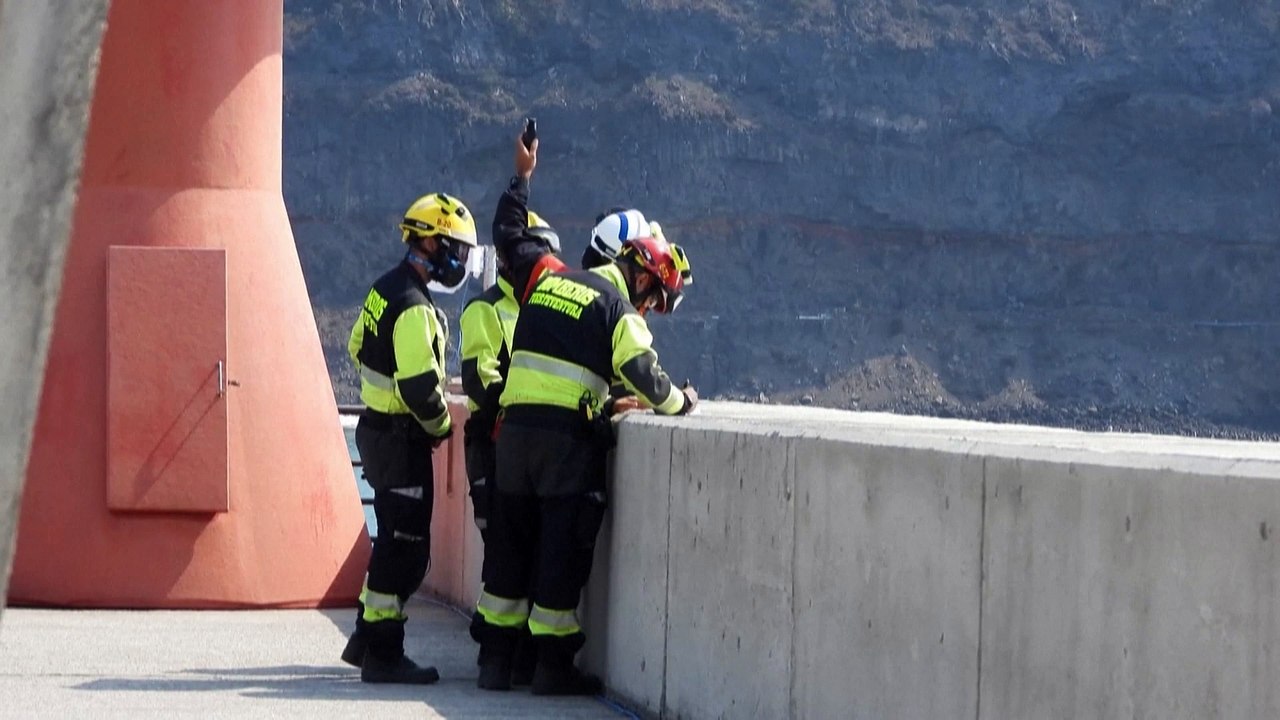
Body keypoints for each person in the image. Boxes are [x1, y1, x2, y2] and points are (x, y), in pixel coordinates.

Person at [473, 232, 698, 695]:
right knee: (561, 550)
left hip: (513, 436)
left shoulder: (549, 286)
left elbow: (555, 364)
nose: (649, 309)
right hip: (563, 445)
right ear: (642, 279)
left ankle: (496, 662)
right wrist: (682, 402)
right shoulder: (616, 306)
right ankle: (551, 667)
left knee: (509, 550)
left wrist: (606, 400)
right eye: (655, 299)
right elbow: (642, 373)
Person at [341, 192, 478, 684]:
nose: (459, 260)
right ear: (432, 242)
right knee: (406, 551)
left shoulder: (385, 288)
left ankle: (364, 638)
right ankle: (384, 654)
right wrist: (442, 426)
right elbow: (420, 387)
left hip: (376, 432)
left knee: (390, 541)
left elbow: (357, 345)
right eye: (456, 249)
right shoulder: (415, 306)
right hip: (401, 442)